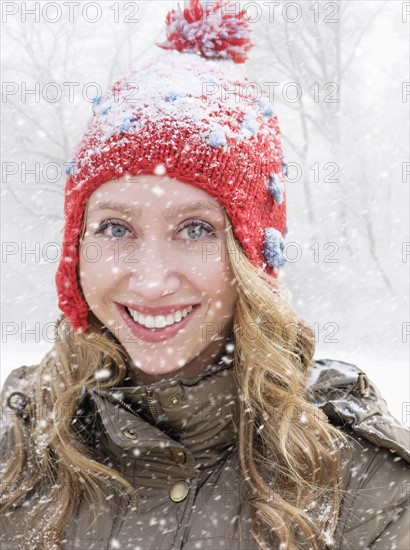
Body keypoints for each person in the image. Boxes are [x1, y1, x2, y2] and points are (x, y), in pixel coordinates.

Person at [1, 1, 409, 549]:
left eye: (195, 230)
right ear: (77, 246)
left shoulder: (360, 485)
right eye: (116, 228)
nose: (149, 282)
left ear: (251, 255)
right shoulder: (18, 452)